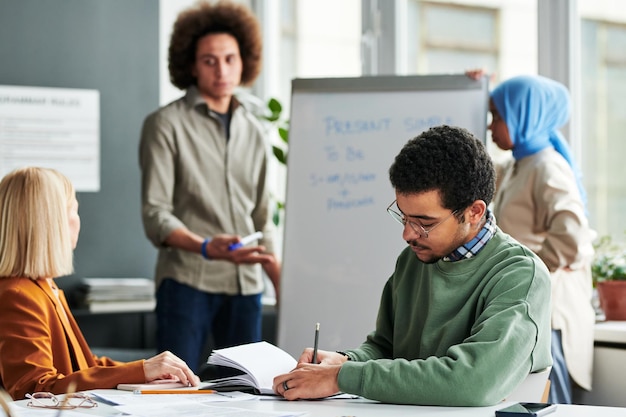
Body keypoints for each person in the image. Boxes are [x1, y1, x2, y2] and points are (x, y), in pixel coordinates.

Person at [272, 125, 552, 406]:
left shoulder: (521, 276)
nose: (408, 234)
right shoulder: (414, 259)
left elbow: (472, 382)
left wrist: (340, 377)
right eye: (403, 217)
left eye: (424, 223)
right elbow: (386, 348)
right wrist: (345, 361)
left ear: (474, 212)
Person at [139, 0, 281, 372]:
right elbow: (156, 215)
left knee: (248, 392)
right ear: (190, 64)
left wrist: (280, 278)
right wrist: (205, 247)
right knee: (174, 388)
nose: (222, 70)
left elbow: (263, 217)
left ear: (244, 61)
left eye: (230, 58)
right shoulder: (165, 125)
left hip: (246, 286)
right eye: (209, 60)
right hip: (187, 284)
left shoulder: (255, 129)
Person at [0, 167, 199, 400]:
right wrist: (141, 370)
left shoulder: (44, 287)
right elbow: (34, 389)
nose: (78, 219)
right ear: (52, 224)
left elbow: (82, 366)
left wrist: (145, 371)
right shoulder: (18, 295)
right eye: (74, 209)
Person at [467, 71, 596, 404]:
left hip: (549, 310)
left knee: (548, 404)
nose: (491, 126)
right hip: (528, 305)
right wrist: (473, 92)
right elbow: (468, 167)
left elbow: (573, 240)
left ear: (523, 115)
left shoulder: (546, 167)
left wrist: (525, 271)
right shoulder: (517, 166)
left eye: (497, 116)